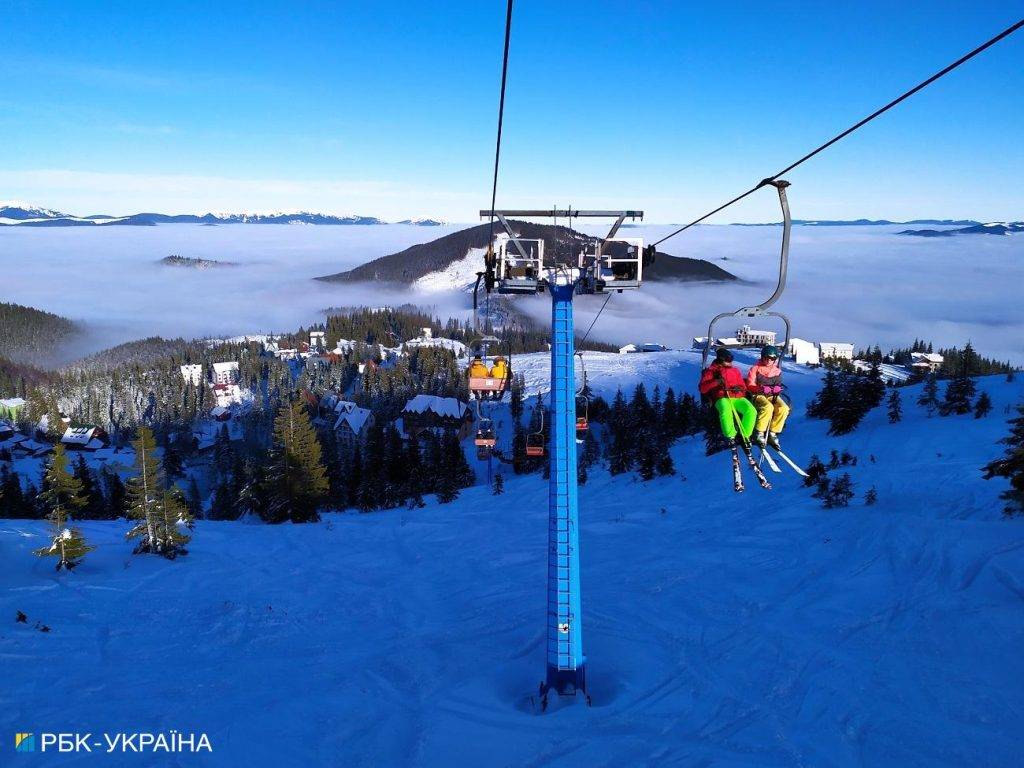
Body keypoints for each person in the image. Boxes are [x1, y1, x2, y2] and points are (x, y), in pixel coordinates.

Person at [699, 347, 756, 445]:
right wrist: (716, 382)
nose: (730, 363)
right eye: (728, 360)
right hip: (722, 398)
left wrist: (739, 389)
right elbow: (702, 388)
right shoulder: (711, 371)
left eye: (731, 360)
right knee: (725, 410)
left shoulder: (735, 370)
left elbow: (743, 386)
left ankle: (745, 435)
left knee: (751, 410)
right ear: (721, 360)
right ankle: (730, 435)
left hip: (737, 397)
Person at [746, 344, 789, 448]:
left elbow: (778, 385)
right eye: (767, 357)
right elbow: (750, 385)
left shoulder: (777, 371)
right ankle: (759, 432)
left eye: (772, 358)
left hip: (771, 395)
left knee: (784, 408)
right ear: (762, 357)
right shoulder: (755, 369)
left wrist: (777, 389)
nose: (769, 360)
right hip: (758, 395)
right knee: (768, 407)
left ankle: (773, 432)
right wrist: (760, 389)